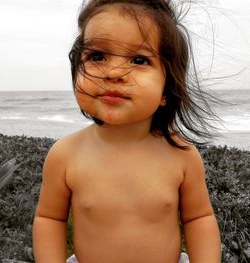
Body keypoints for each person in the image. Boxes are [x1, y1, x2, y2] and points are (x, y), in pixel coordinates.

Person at [33, 0, 221, 262]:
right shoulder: (65, 154)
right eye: (97, 56)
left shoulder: (182, 155)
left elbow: (199, 218)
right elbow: (49, 218)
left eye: (139, 59)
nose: (113, 72)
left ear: (167, 89)